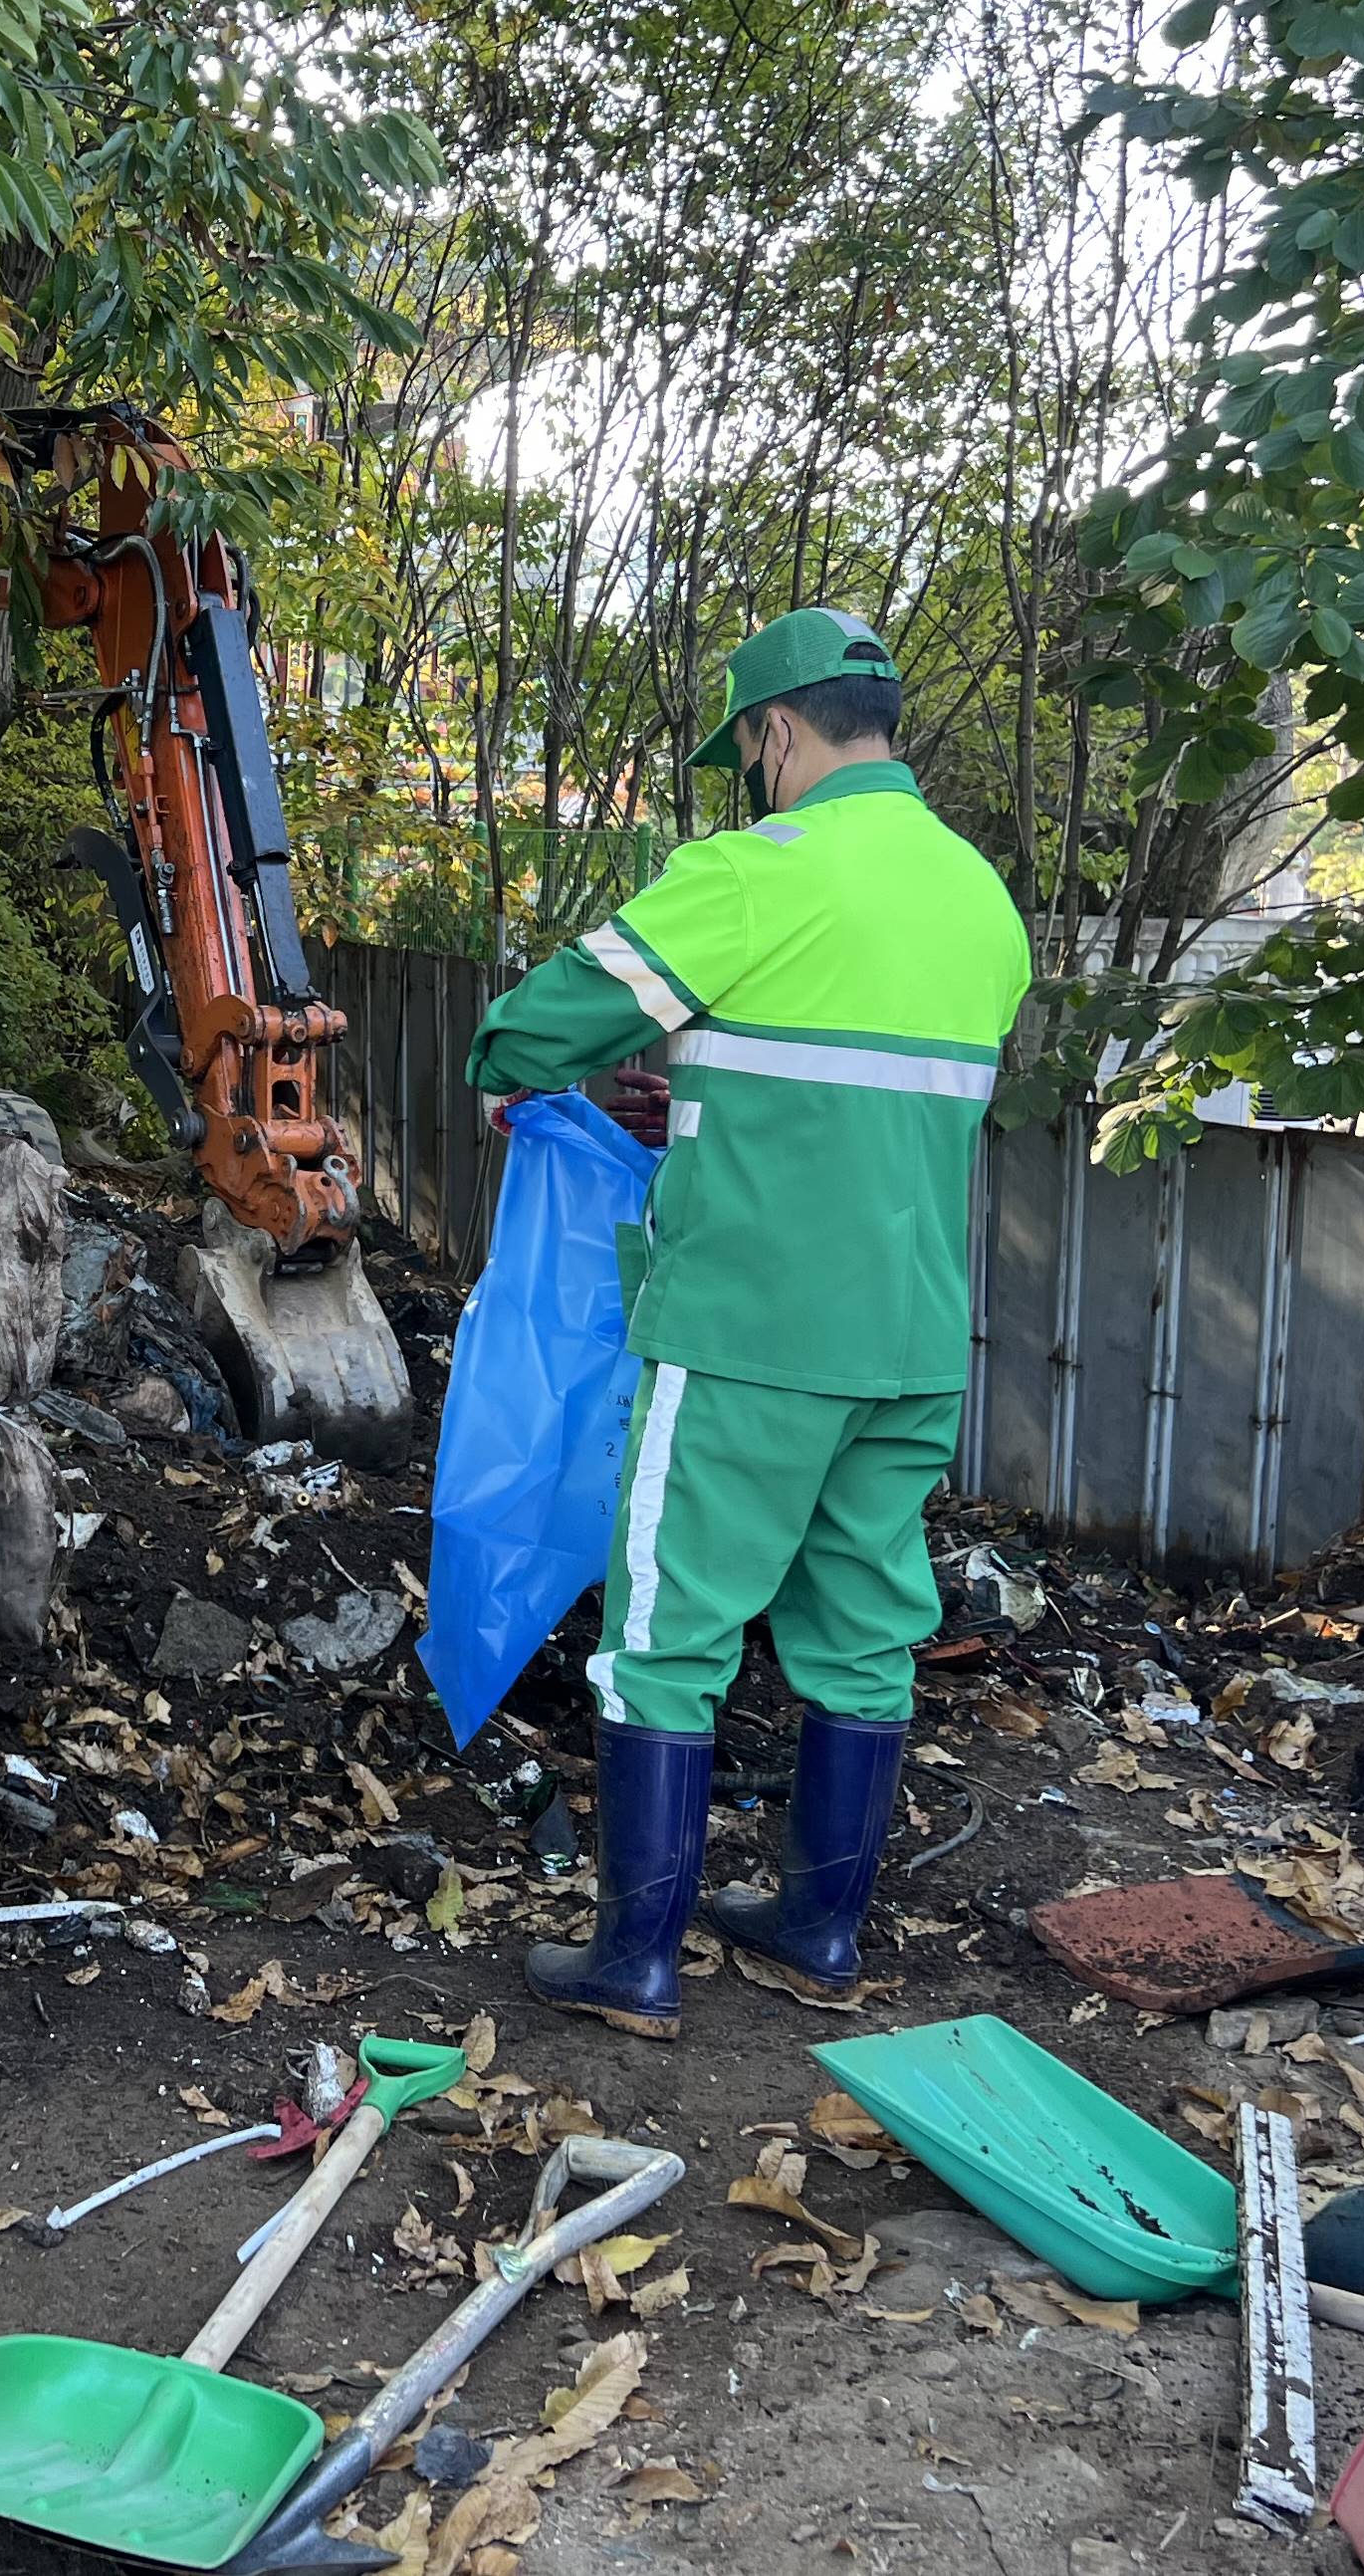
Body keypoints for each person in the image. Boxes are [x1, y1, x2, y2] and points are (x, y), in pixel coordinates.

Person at [467, 607, 1030, 2037]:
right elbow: (849, 1100)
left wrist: (577, 1076)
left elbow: (528, 1032)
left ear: (776, 732)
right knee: (860, 1635)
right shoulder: (979, 898)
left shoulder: (750, 873)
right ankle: (816, 1933)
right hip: (905, 1343)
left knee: (661, 1635)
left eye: (750, 753)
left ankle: (634, 1962)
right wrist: (702, 1092)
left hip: (740, 1336)